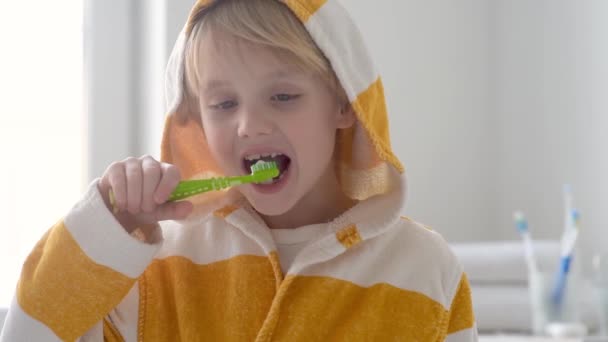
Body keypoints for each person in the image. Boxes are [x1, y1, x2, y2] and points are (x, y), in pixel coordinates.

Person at [0, 0, 478, 340]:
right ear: (197, 120)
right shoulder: (156, 269)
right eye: (224, 103)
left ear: (344, 103)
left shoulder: (424, 270)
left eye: (283, 96)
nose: (249, 125)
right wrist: (106, 226)